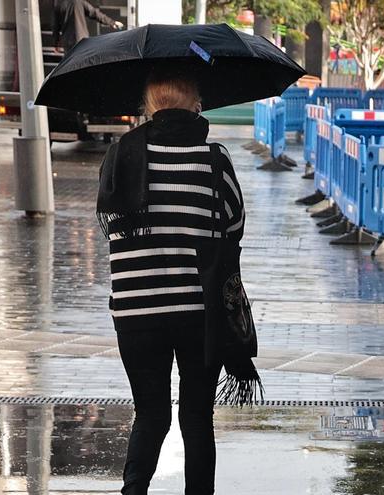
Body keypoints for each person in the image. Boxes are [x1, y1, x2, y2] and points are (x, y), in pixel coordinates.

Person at [95, 69, 245, 494]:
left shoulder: (120, 156)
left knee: (150, 414)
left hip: (136, 312)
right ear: (196, 104)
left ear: (149, 106)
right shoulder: (214, 160)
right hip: (199, 312)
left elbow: (112, 227)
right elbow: (234, 226)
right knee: (196, 416)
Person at [53, 0, 124, 53]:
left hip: (68, 41)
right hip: (81, 39)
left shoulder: (58, 3)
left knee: (70, 64)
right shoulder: (78, 1)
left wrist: (56, 43)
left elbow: (55, 26)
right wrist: (111, 22)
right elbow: (94, 13)